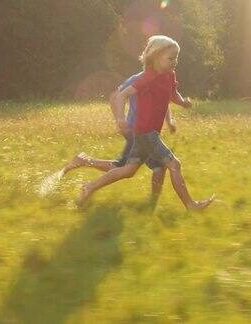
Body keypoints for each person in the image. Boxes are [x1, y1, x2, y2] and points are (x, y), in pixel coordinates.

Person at [75, 35, 214, 211]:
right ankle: (190, 205)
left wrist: (183, 103)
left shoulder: (169, 75)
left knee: (129, 170)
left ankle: (90, 187)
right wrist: (120, 118)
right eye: (171, 58)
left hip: (148, 134)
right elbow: (122, 95)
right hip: (145, 132)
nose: (175, 62)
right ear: (156, 57)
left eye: (176, 58)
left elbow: (173, 95)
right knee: (174, 164)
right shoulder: (148, 77)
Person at [62, 70, 189, 203]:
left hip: (148, 132)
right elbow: (115, 96)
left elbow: (162, 100)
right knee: (127, 168)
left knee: (154, 167)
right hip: (136, 131)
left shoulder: (161, 77)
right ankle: (85, 165)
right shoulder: (139, 78)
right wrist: (120, 120)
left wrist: (169, 121)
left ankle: (151, 206)